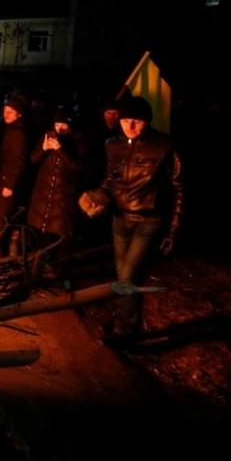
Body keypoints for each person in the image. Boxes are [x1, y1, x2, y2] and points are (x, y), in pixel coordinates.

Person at [79, 96, 183, 339]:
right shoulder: (112, 144)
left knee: (126, 276)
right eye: (126, 120)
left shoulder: (164, 146)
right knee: (124, 275)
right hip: (119, 219)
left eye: (136, 121)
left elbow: (179, 188)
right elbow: (110, 179)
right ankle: (129, 324)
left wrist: (173, 230)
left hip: (147, 221)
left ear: (147, 121)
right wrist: (99, 196)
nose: (130, 126)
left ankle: (123, 331)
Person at [27, 108, 87, 280]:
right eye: (57, 124)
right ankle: (43, 270)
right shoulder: (48, 136)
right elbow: (33, 159)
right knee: (43, 235)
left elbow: (78, 168)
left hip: (64, 198)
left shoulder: (78, 142)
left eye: (64, 125)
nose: (59, 129)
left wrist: (60, 149)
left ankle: (60, 276)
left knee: (62, 238)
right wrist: (43, 148)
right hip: (43, 196)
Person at [0, 94, 29, 257]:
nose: (6, 114)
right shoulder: (10, 129)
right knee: (11, 217)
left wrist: (9, 184)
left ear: (19, 114)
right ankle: (12, 250)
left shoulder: (17, 133)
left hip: (7, 183)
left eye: (11, 111)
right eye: (5, 110)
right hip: (5, 180)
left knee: (0, 216)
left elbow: (19, 161)